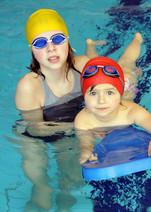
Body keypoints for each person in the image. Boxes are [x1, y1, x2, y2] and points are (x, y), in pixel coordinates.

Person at [15, 9, 142, 137]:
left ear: (67, 41)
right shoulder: (29, 87)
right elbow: (36, 129)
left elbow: (108, 90)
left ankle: (137, 39)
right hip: (58, 130)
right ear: (32, 50)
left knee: (126, 66)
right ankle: (90, 46)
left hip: (85, 115)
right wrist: (86, 126)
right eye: (40, 43)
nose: (51, 48)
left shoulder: (81, 65)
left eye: (58, 39)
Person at [74, 56, 151, 164]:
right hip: (117, 88)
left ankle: (137, 40)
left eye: (109, 93)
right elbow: (86, 145)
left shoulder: (132, 112)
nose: (101, 101)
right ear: (84, 95)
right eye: (93, 93)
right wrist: (87, 152)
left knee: (127, 63)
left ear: (119, 95)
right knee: (95, 59)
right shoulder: (82, 121)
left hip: (128, 88)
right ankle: (91, 47)